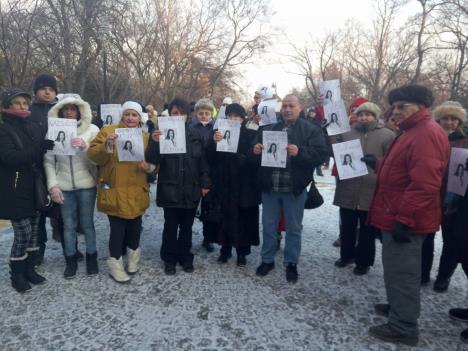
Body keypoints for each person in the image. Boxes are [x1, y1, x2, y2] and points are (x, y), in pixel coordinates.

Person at [365, 85, 450, 346]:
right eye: (395, 106)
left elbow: (425, 184)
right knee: (395, 269)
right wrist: (377, 164)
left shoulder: (425, 134)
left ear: (421, 107)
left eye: (403, 106)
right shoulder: (411, 132)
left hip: (405, 219)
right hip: (396, 213)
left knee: (403, 273)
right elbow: (401, 171)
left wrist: (405, 218)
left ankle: (403, 326)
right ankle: (398, 308)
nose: (396, 111)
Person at [251, 94, 328, 283]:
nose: (286, 109)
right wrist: (255, 149)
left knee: (294, 228)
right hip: (271, 187)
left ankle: (291, 263)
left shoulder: (310, 130)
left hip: (295, 188)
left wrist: (300, 152)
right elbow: (253, 149)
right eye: (284, 106)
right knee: (269, 226)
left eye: (291, 106)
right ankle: (267, 260)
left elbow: (321, 154)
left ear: (299, 108)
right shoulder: (269, 128)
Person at [88, 101, 156, 283]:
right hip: (115, 190)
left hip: (136, 190)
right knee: (117, 230)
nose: (130, 118)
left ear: (139, 118)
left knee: (134, 228)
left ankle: (133, 260)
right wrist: (107, 146)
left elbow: (154, 166)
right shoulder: (108, 131)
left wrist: (148, 167)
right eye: (127, 114)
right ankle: (115, 265)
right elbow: (94, 155)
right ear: (122, 115)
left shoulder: (145, 137)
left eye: (134, 115)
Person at [145, 98, 211, 275]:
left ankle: (185, 256)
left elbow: (203, 162)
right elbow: (153, 160)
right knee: (170, 226)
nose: (179, 116)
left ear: (187, 115)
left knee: (187, 226)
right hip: (170, 187)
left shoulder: (195, 135)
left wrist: (205, 183)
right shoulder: (162, 132)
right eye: (175, 113)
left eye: (182, 113)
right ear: (170, 114)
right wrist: (155, 142)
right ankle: (169, 258)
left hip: (191, 187)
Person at [0, 88, 54, 292]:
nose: (22, 106)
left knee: (34, 232)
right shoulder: (3, 129)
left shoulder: (31, 125)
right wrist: (40, 148)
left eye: (25, 103)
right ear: (8, 105)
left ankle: (30, 269)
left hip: (33, 186)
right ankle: (17, 274)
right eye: (17, 103)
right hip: (14, 188)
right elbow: (10, 158)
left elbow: (39, 153)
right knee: (23, 234)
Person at [333, 102, 395, 275]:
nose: (364, 117)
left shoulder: (387, 135)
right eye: (361, 114)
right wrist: (328, 132)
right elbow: (335, 149)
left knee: (368, 230)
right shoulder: (348, 133)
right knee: (347, 226)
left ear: (375, 116)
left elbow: (391, 162)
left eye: (368, 114)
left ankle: (364, 261)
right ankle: (346, 255)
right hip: (349, 186)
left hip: (372, 188)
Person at [44, 95, 100, 278]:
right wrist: (53, 185)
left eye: (72, 109)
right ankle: (70, 260)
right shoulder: (51, 131)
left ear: (79, 111)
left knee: (87, 224)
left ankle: (92, 257)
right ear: (60, 111)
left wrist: (85, 147)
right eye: (65, 109)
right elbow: (48, 161)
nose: (69, 112)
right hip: (64, 186)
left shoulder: (92, 130)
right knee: (68, 226)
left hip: (86, 185)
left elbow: (98, 159)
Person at [207, 103, 260, 266]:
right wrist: (213, 142)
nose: (233, 119)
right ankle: (225, 249)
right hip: (224, 182)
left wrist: (246, 157)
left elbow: (256, 157)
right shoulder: (219, 133)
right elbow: (210, 158)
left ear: (242, 119)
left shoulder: (250, 133)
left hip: (245, 184)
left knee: (244, 218)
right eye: (230, 116)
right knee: (225, 216)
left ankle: (242, 252)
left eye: (237, 116)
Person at [432, 101, 468, 293]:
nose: (449, 122)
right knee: (437, 237)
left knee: (455, 239)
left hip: (456, 196)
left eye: (453, 119)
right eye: (445, 118)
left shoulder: (465, 139)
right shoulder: (433, 137)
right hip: (433, 191)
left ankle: (443, 276)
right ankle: (431, 273)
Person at [29, 73, 59, 265]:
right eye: (43, 88)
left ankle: (69, 249)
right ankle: (39, 249)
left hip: (60, 164)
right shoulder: (29, 111)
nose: (47, 92)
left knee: (62, 212)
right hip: (36, 166)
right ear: (36, 91)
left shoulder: (62, 110)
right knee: (38, 211)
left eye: (51, 89)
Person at [190, 98, 217, 252]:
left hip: (210, 171)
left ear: (211, 114)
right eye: (201, 113)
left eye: (207, 113)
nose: (204, 116)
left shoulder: (215, 129)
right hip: (194, 170)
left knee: (208, 207)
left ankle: (208, 238)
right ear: (196, 114)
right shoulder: (191, 127)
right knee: (192, 205)